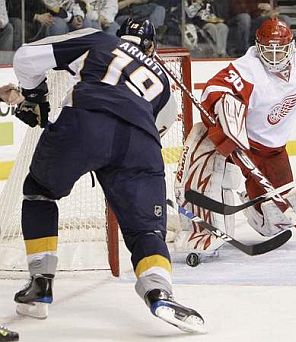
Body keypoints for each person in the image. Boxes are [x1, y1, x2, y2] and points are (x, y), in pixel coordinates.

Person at [12, 18, 205, 333]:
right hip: (142, 144)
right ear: (152, 48)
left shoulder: (98, 39)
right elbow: (160, 125)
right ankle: (159, 291)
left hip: (87, 122)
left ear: (121, 36)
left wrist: (34, 95)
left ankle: (40, 285)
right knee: (146, 230)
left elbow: (25, 58)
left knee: (39, 191)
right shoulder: (164, 86)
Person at [173, 18, 296, 252]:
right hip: (242, 143)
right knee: (205, 144)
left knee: (275, 224)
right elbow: (213, 89)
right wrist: (224, 106)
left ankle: (249, 195)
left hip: (273, 151)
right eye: (269, 50)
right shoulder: (248, 68)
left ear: (291, 47)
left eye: (281, 51)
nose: (275, 57)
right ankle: (197, 229)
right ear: (258, 46)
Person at [227, 0, 292, 57]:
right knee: (245, 18)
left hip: (260, 18)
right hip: (241, 19)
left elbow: (273, 8)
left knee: (285, 19)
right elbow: (237, 10)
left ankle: (282, 48)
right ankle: (243, 51)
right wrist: (257, 6)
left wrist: (273, 12)